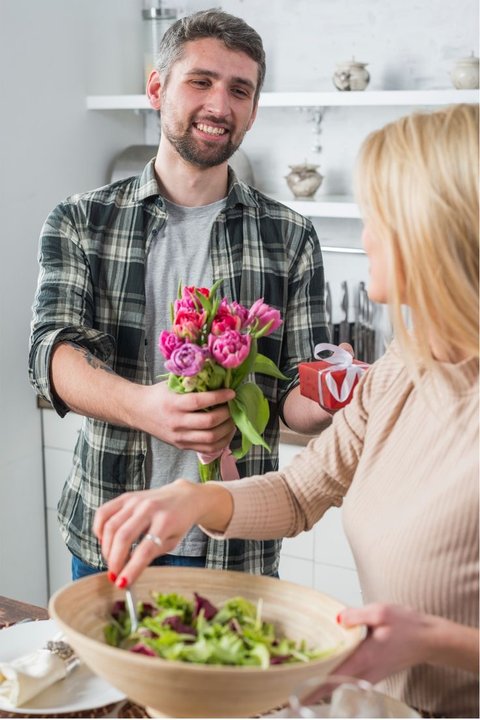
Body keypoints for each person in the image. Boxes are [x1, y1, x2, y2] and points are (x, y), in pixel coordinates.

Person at [94, 103, 479, 718]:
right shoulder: (406, 368)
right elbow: (303, 490)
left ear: (435, 229)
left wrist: (440, 643)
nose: (366, 228)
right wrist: (195, 499)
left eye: (379, 212)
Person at [28, 9, 335, 582]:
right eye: (201, 81)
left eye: (239, 90)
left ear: (252, 110)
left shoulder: (290, 235)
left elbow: (296, 389)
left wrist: (335, 397)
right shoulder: (81, 220)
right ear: (157, 88)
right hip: (112, 534)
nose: (220, 105)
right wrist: (148, 407)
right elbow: (51, 352)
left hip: (237, 546)